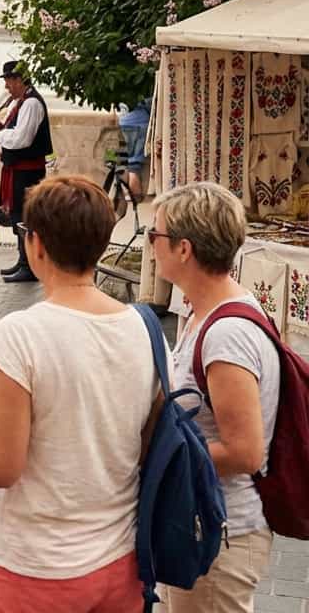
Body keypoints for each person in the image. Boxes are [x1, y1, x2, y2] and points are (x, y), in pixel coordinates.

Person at [0, 175, 158, 612]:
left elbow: (1, 465)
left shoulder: (22, 333)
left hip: (37, 567)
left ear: (35, 244)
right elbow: (145, 443)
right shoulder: (144, 328)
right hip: (119, 562)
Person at [150, 182, 279, 613]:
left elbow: (245, 452)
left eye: (156, 235)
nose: (151, 244)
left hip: (220, 534)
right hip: (202, 524)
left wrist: (158, 454)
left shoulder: (227, 334)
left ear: (183, 249)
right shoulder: (203, 310)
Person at [0, 60, 53, 283]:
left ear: (19, 80)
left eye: (9, 81)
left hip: (28, 172)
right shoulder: (19, 103)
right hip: (17, 170)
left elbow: (22, 139)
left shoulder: (31, 104)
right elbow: (13, 134)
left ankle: (30, 267)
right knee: (18, 216)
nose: (6, 87)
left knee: (25, 218)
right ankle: (23, 261)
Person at [118, 98, 151, 201]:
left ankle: (124, 193)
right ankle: (135, 194)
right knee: (134, 164)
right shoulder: (142, 89)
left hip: (123, 121)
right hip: (141, 122)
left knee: (123, 161)